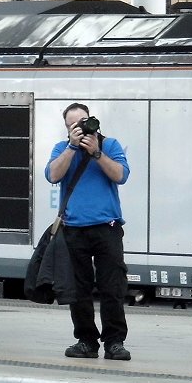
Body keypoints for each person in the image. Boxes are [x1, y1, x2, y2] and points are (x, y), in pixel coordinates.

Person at [45, 102, 131, 361]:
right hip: (74, 229)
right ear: (67, 128)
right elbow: (52, 175)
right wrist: (72, 147)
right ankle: (86, 341)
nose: (81, 127)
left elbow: (121, 175)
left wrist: (96, 153)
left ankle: (114, 341)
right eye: (74, 125)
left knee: (112, 287)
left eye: (84, 121)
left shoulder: (110, 145)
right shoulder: (62, 149)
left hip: (107, 228)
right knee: (78, 290)